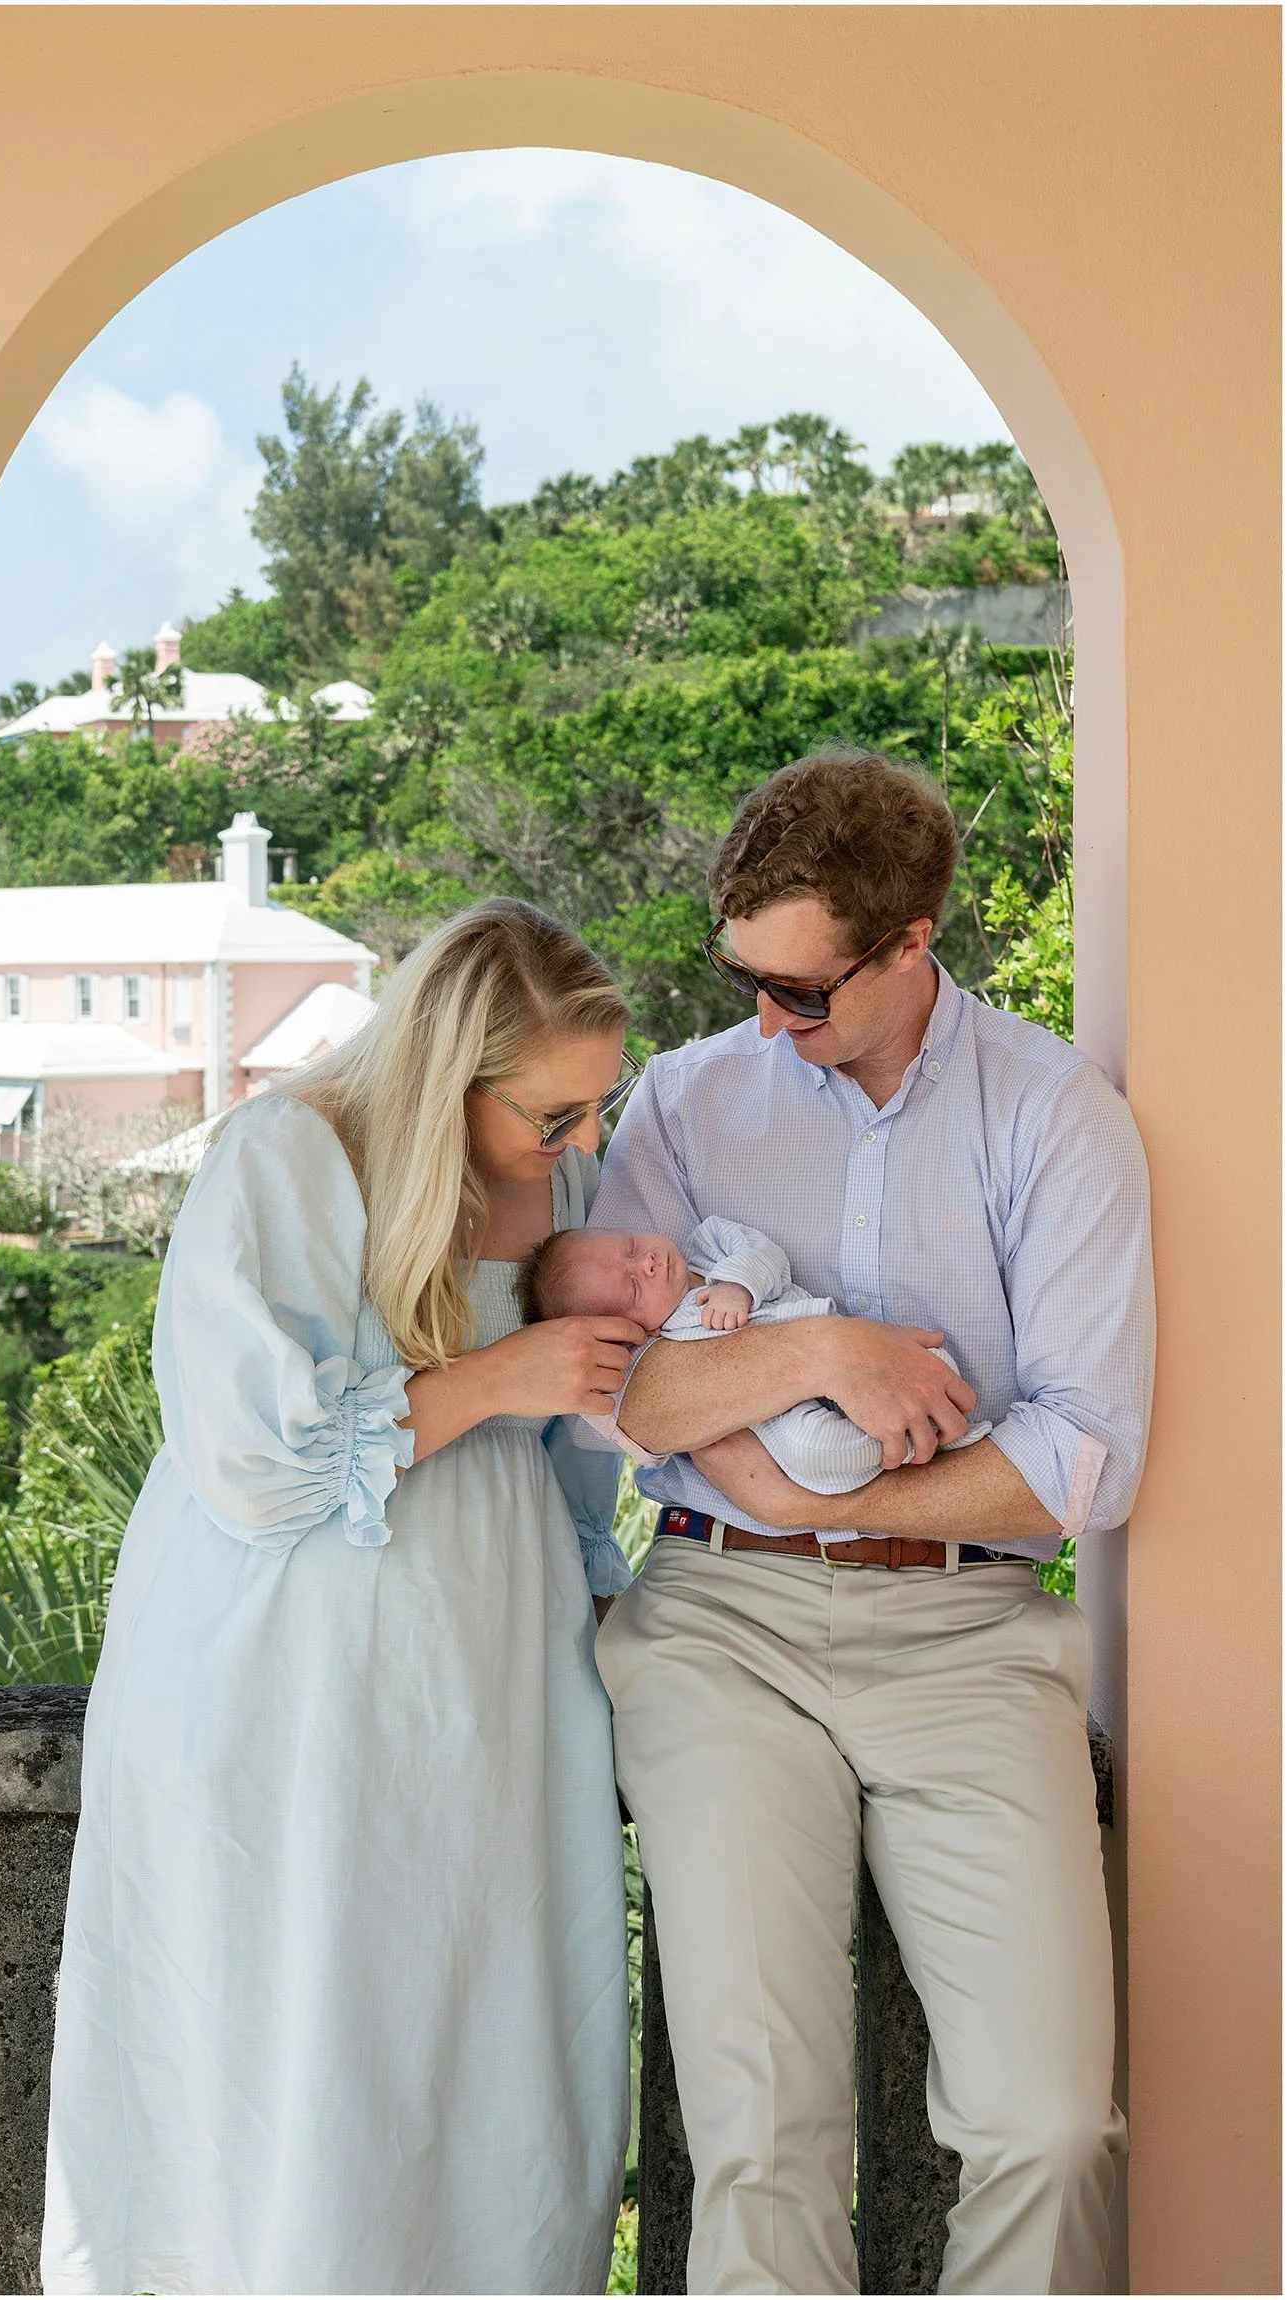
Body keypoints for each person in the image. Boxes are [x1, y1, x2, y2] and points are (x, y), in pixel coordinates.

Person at [589, 750, 1154, 2297]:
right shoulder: (690, 1101)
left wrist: (807, 1474)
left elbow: (1080, 1452)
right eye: (747, 981)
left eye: (805, 991)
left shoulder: (1052, 1113)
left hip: (971, 1640)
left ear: (910, 943)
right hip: (719, 1629)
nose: (770, 1020)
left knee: (1047, 2126)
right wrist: (823, 1358)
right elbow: (616, 1386)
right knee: (760, 2130)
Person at [41, 900, 649, 2297]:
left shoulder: (556, 1181)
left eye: (593, 1110)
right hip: (284, 1662)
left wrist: (594, 1596)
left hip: (483, 1662)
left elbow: (569, 1458)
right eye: (549, 1114)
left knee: (470, 2011)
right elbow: (251, 1460)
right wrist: (503, 1374)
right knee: (292, 2004)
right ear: (451, 1070)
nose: (577, 1146)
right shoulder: (293, 1155)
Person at [520, 1216, 989, 1493]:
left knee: (920, 1363)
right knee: (809, 1450)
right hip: (771, 1417)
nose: (646, 1263)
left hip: (842, 1340)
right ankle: (900, 1440)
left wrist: (738, 1283)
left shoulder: (710, 1245)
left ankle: (926, 1407)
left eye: (631, 1247)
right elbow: (615, 1420)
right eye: (632, 1286)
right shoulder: (652, 1344)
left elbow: (765, 1252)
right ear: (623, 1328)